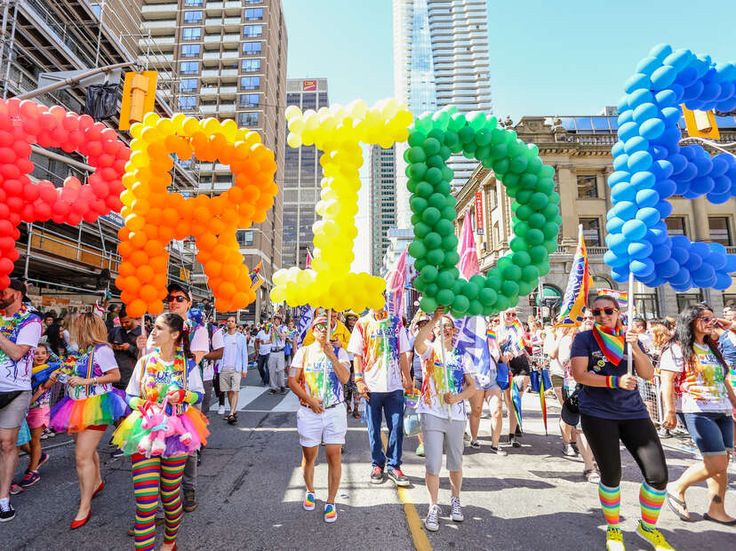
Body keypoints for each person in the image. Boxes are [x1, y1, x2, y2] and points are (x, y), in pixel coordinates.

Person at [570, 295, 672, 551]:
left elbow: (648, 374)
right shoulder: (584, 339)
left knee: (658, 476)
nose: (603, 316)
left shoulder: (629, 339)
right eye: (597, 312)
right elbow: (580, 374)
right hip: (598, 413)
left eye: (608, 311)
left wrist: (634, 348)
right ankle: (613, 528)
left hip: (633, 412)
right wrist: (613, 381)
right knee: (612, 475)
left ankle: (648, 528)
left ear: (618, 312)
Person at [113, 313, 208, 551]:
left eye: (158, 328)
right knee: (145, 504)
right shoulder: (145, 362)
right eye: (152, 328)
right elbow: (131, 395)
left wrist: (184, 395)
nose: (152, 332)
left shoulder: (187, 365)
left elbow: (199, 394)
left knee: (170, 496)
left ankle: (169, 543)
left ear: (174, 335)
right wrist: (142, 405)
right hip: (145, 431)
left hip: (177, 433)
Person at [660, 304, 736, 525]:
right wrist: (670, 410)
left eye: (713, 319)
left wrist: (734, 403)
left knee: (723, 460)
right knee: (717, 461)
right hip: (696, 409)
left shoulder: (713, 347)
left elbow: (723, 379)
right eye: (704, 318)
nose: (710, 322)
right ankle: (677, 487)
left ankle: (716, 508)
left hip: (721, 409)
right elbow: (667, 381)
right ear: (691, 321)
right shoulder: (676, 347)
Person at [49, 313, 126, 529]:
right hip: (74, 404)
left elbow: (115, 375)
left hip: (96, 405)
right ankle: (97, 481)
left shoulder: (102, 350)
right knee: (87, 450)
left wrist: (87, 380)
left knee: (81, 456)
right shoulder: (82, 350)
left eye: (73, 327)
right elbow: (73, 370)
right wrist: (60, 373)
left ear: (85, 329)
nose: (68, 332)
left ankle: (84, 506)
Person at [140, 283, 209, 513]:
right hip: (157, 395)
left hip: (183, 392)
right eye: (170, 297)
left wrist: (178, 385)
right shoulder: (157, 326)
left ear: (189, 303)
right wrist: (143, 347)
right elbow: (149, 358)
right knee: (155, 442)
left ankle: (188, 488)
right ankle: (158, 502)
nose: (173, 301)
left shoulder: (198, 328)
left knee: (186, 444)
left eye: (179, 298)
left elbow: (195, 359)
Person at [414, 309, 476, 532]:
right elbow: (417, 342)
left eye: (449, 326)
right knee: (432, 463)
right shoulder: (430, 351)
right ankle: (433, 506)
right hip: (432, 412)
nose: (446, 329)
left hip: (456, 415)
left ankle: (455, 500)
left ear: (455, 331)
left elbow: (473, 387)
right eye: (443, 327)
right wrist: (435, 319)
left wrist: (457, 397)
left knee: (455, 463)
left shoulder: (462, 355)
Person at [288, 315, 351, 523]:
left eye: (328, 327)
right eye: (319, 327)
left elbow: (345, 378)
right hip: (309, 412)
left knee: (334, 455)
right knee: (309, 456)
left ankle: (331, 501)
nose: (324, 330)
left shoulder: (340, 352)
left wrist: (331, 355)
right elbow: (292, 381)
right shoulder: (303, 352)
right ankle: (310, 489)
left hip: (334, 411)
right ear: (313, 330)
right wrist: (309, 400)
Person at [348, 306, 412, 486]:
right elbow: (357, 355)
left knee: (397, 427)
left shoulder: (396, 322)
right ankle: (377, 464)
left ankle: (394, 465)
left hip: (394, 386)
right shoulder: (362, 323)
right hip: (371, 386)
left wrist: (407, 379)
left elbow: (403, 354)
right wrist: (359, 380)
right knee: (374, 429)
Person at [0, 279, 42, 522]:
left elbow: (17, 353)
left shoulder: (31, 320)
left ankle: (3, 499)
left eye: (2, 291)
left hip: (15, 389)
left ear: (16, 294)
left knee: (7, 443)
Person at [17, 343, 56, 489]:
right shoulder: (26, 370)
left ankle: (33, 471)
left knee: (34, 441)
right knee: (19, 440)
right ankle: (38, 456)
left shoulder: (51, 373)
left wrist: (39, 392)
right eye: (36, 353)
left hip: (39, 409)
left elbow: (39, 393)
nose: (39, 356)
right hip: (25, 410)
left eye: (43, 353)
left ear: (47, 355)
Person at [467, 317, 505, 455]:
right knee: (476, 410)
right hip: (476, 376)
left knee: (497, 410)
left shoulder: (492, 335)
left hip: (492, 377)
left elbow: (498, 355)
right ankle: (474, 438)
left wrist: (504, 356)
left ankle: (495, 444)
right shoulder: (471, 335)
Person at [497, 308, 528, 447]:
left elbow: (522, 343)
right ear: (502, 314)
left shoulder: (518, 327)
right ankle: (512, 430)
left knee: (515, 399)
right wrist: (499, 344)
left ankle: (512, 436)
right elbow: (492, 347)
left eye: (513, 314)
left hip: (520, 364)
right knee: (509, 401)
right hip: (504, 366)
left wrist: (511, 352)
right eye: (507, 314)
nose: (510, 316)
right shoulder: (497, 329)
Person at [218, 316, 248, 424]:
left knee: (235, 390)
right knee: (229, 392)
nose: (230, 323)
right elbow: (219, 352)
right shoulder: (223, 337)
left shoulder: (241, 337)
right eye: (229, 321)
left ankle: (231, 413)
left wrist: (244, 369)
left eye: (232, 321)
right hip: (224, 367)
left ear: (236, 324)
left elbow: (244, 354)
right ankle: (233, 411)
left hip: (236, 368)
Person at [109, 308, 141, 394]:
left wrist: (130, 348)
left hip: (130, 377)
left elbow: (144, 356)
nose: (124, 325)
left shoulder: (142, 334)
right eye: (121, 322)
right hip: (113, 375)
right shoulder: (115, 331)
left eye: (127, 322)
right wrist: (111, 346)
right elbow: (106, 346)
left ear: (133, 318)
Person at [266, 315, 288, 394]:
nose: (275, 320)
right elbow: (270, 340)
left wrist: (276, 330)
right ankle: (273, 387)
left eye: (277, 319)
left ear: (280, 320)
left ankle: (282, 386)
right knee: (272, 370)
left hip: (280, 351)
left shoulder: (284, 328)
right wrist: (265, 342)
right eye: (274, 319)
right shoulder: (271, 328)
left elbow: (283, 337)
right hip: (272, 351)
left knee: (280, 370)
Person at [254, 322, 272, 387]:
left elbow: (272, 340)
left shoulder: (272, 332)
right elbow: (256, 341)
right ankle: (264, 378)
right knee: (259, 367)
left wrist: (265, 342)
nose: (267, 327)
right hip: (261, 353)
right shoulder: (260, 333)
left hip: (269, 352)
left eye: (268, 325)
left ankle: (266, 382)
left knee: (267, 367)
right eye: (266, 325)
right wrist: (256, 350)